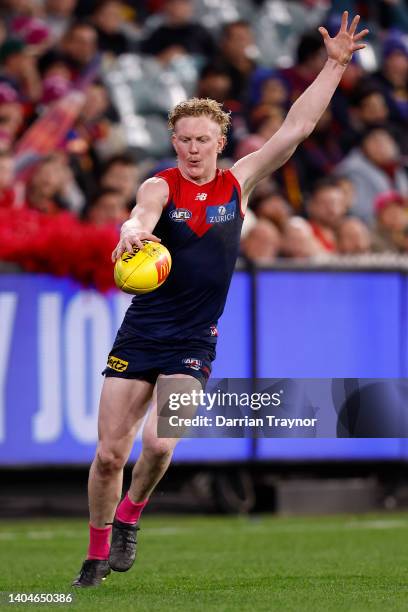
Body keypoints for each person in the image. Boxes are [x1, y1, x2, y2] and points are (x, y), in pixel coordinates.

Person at [72, 11, 368, 587]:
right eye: (182, 139)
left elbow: (297, 127)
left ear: (220, 141)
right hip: (141, 331)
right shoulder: (160, 184)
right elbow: (139, 216)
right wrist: (130, 232)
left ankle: (131, 515)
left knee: (158, 445)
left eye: (202, 140)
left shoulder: (240, 181)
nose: (191, 149)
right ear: (173, 140)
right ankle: (95, 552)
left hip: (192, 339)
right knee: (109, 454)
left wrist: (333, 66)